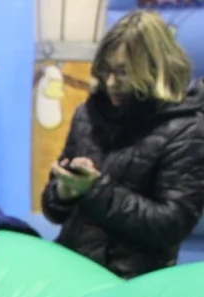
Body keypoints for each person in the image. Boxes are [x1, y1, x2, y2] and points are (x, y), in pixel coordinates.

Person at [41, 9, 204, 279]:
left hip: (133, 283)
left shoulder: (186, 130)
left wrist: (95, 190)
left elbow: (171, 225)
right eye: (106, 70)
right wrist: (63, 193)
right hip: (71, 269)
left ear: (153, 70)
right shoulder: (89, 113)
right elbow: (54, 210)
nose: (110, 82)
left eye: (123, 73)